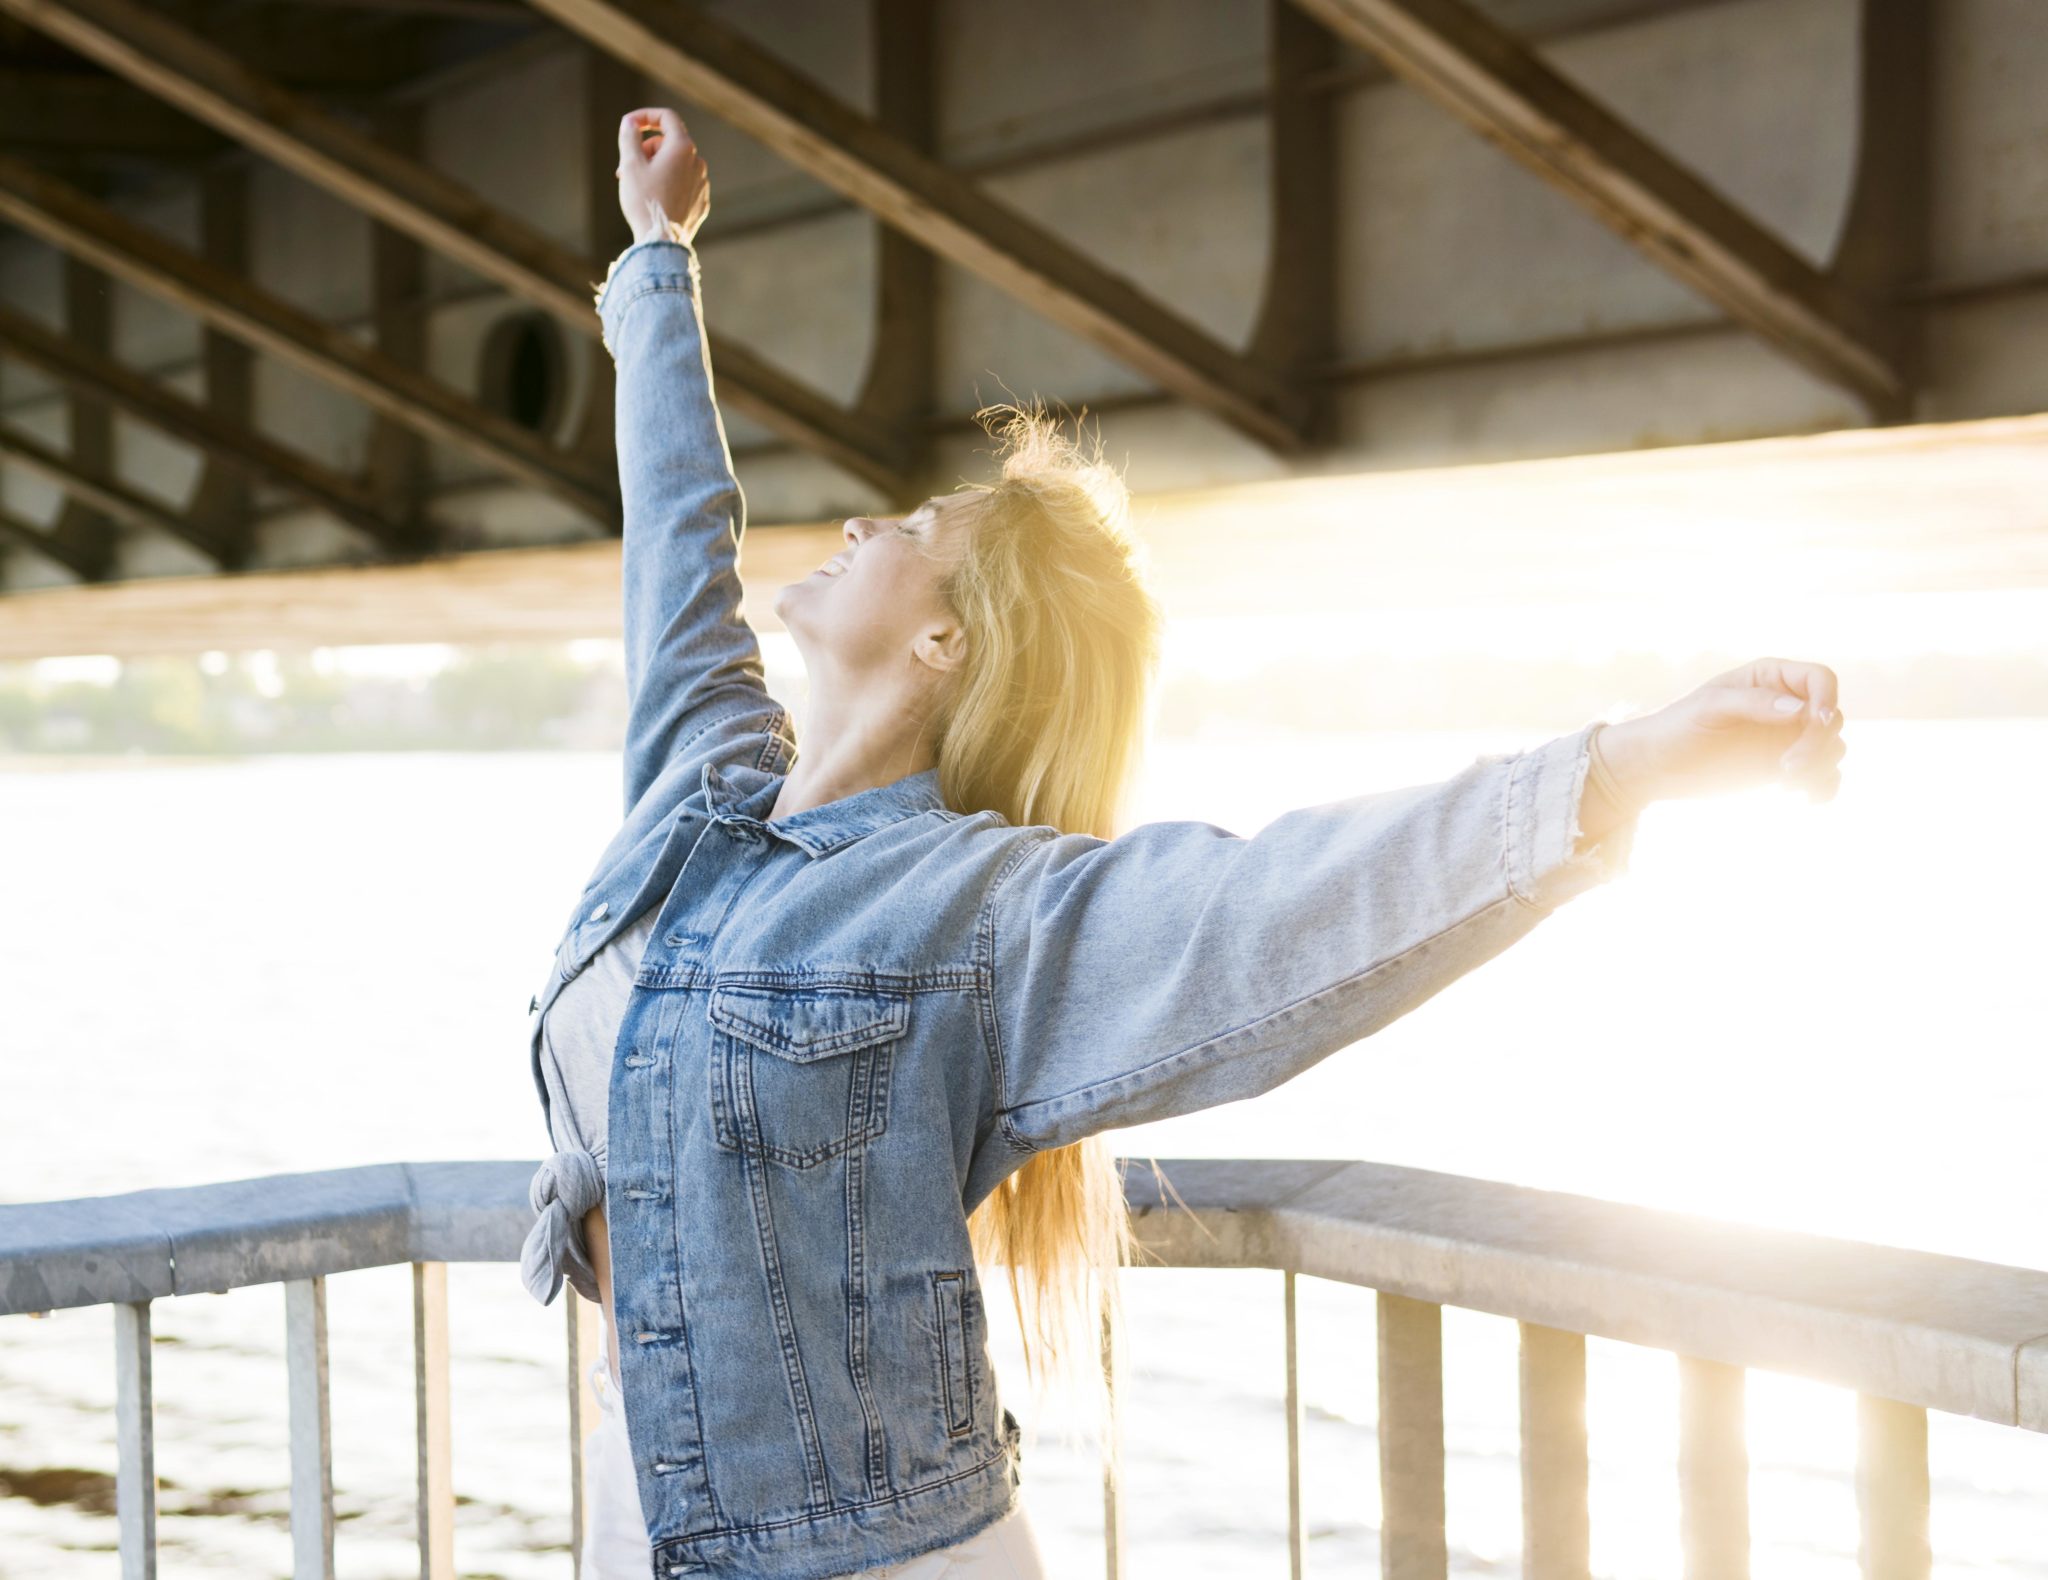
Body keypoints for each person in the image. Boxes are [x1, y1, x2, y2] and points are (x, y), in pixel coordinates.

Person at [518, 106, 1847, 1580]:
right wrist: (658, 262)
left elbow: (1284, 909)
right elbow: (677, 540)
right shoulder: (698, 791)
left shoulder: (977, 913)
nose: (856, 522)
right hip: (646, 1506)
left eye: (911, 525)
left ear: (949, 640)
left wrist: (1624, 772)